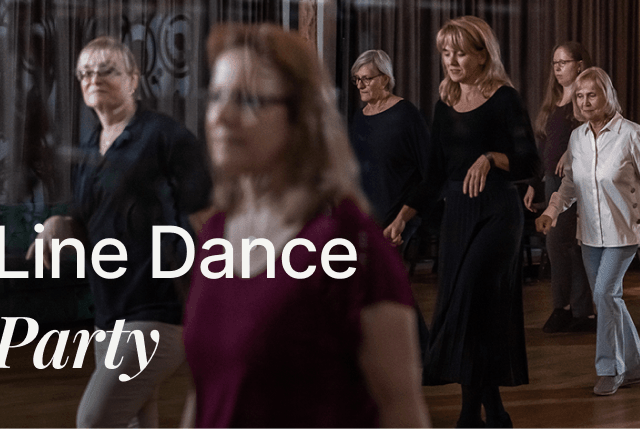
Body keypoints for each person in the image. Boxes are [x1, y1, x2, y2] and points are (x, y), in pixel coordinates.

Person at [182, 23, 430, 429]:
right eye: (217, 96)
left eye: (247, 99)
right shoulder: (215, 235)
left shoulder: (347, 244)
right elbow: (208, 389)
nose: (222, 116)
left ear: (299, 118)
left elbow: (401, 410)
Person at [26, 36, 213, 429]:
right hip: (109, 312)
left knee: (93, 419)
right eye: (84, 72)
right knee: (136, 422)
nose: (93, 77)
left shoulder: (166, 137)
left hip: (161, 312)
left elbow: (208, 217)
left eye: (106, 69)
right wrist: (59, 224)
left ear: (133, 79)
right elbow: (83, 221)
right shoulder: (90, 148)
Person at [385, 16, 541, 429]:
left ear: (482, 54)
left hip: (497, 214)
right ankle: (489, 411)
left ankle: (472, 413)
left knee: (470, 297)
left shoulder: (505, 99)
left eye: (459, 52)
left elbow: (530, 162)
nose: (451, 61)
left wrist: (491, 158)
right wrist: (402, 217)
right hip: (457, 215)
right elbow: (433, 176)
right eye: (445, 53)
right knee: (473, 313)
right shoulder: (443, 104)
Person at [536, 67, 640, 396]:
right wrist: (551, 212)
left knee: (606, 294)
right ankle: (637, 366)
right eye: (580, 96)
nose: (585, 101)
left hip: (625, 232)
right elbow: (570, 186)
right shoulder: (577, 138)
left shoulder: (630, 133)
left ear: (606, 94)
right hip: (590, 235)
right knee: (607, 298)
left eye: (591, 94)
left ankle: (610, 368)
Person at [523, 41, 595, 334]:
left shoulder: (586, 98)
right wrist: (533, 184)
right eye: (555, 64)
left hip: (575, 181)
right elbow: (543, 147)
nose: (557, 69)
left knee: (560, 243)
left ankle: (565, 308)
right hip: (552, 181)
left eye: (563, 62)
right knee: (562, 246)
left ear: (579, 64)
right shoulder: (554, 101)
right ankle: (577, 310)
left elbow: (597, 130)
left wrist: (573, 150)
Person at [349, 49, 429, 231]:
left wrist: (403, 219)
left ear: (385, 79)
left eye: (366, 79)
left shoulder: (406, 114)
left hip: (398, 221)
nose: (360, 85)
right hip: (365, 220)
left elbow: (429, 172)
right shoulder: (359, 118)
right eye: (357, 79)